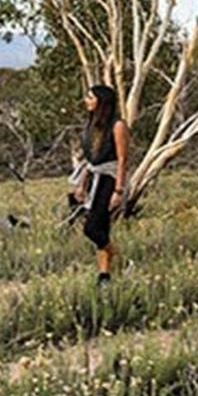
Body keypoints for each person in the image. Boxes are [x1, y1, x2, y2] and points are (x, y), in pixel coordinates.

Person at [71, 84, 129, 284]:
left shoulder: (118, 125)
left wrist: (118, 190)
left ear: (101, 101)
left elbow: (122, 159)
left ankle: (118, 257)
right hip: (94, 176)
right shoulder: (92, 125)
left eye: (90, 97)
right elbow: (90, 160)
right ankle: (104, 275)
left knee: (92, 229)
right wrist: (81, 184)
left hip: (110, 178)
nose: (86, 100)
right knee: (101, 229)